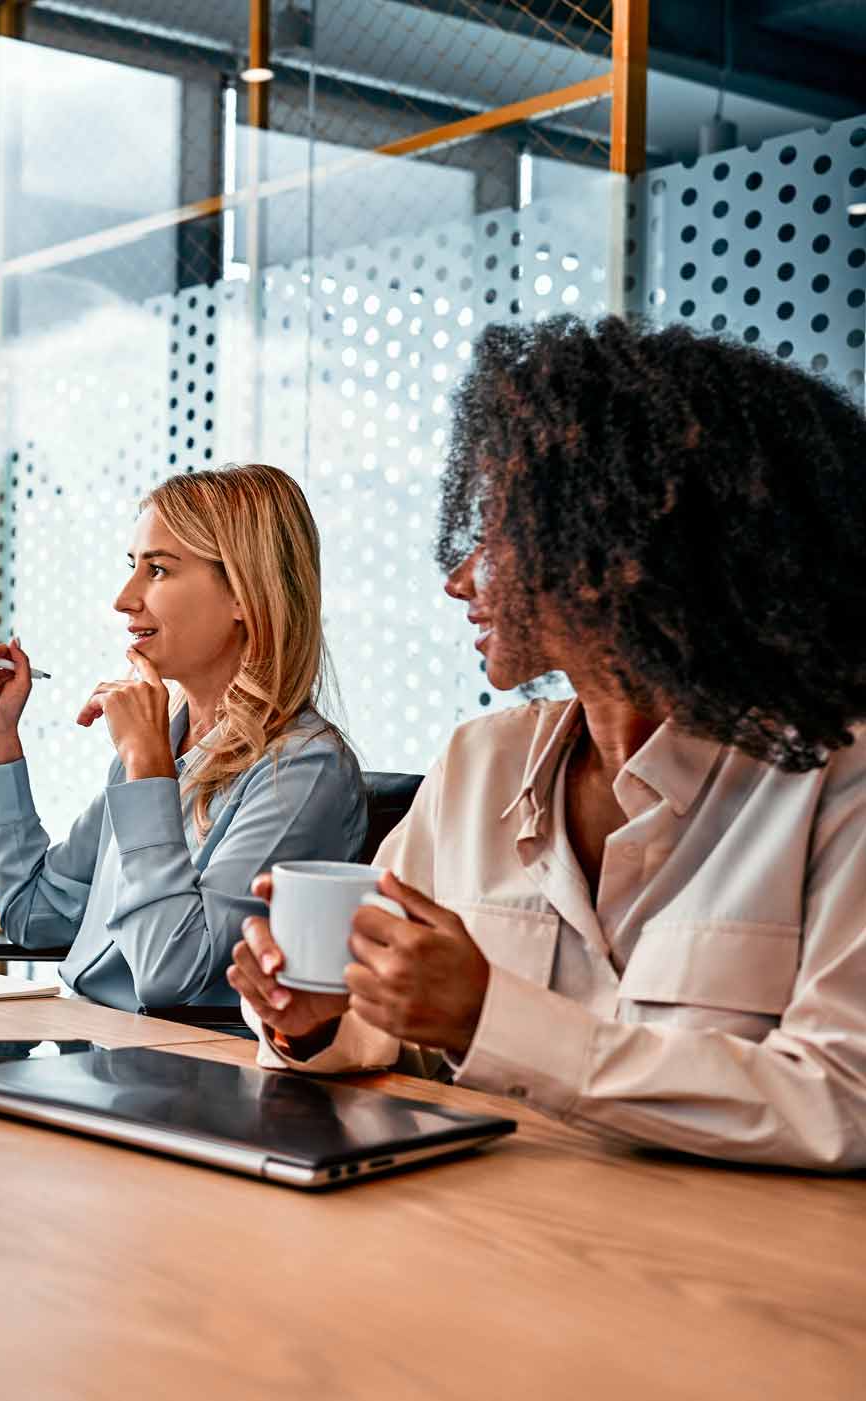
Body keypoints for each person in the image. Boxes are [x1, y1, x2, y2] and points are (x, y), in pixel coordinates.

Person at [227, 316, 866, 1171]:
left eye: (494, 528)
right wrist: (317, 1018)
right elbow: (382, 1029)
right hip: (485, 1251)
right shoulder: (477, 764)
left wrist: (488, 1018)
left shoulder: (835, 775)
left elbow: (840, 1101)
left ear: (621, 544)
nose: (459, 577)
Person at [0, 463, 366, 1014]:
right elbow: (36, 914)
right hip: (88, 1043)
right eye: (133, 567)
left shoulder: (303, 771)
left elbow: (172, 975)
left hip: (176, 1074)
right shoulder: (166, 740)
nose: (124, 599)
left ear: (245, 593)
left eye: (158, 570)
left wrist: (147, 768)